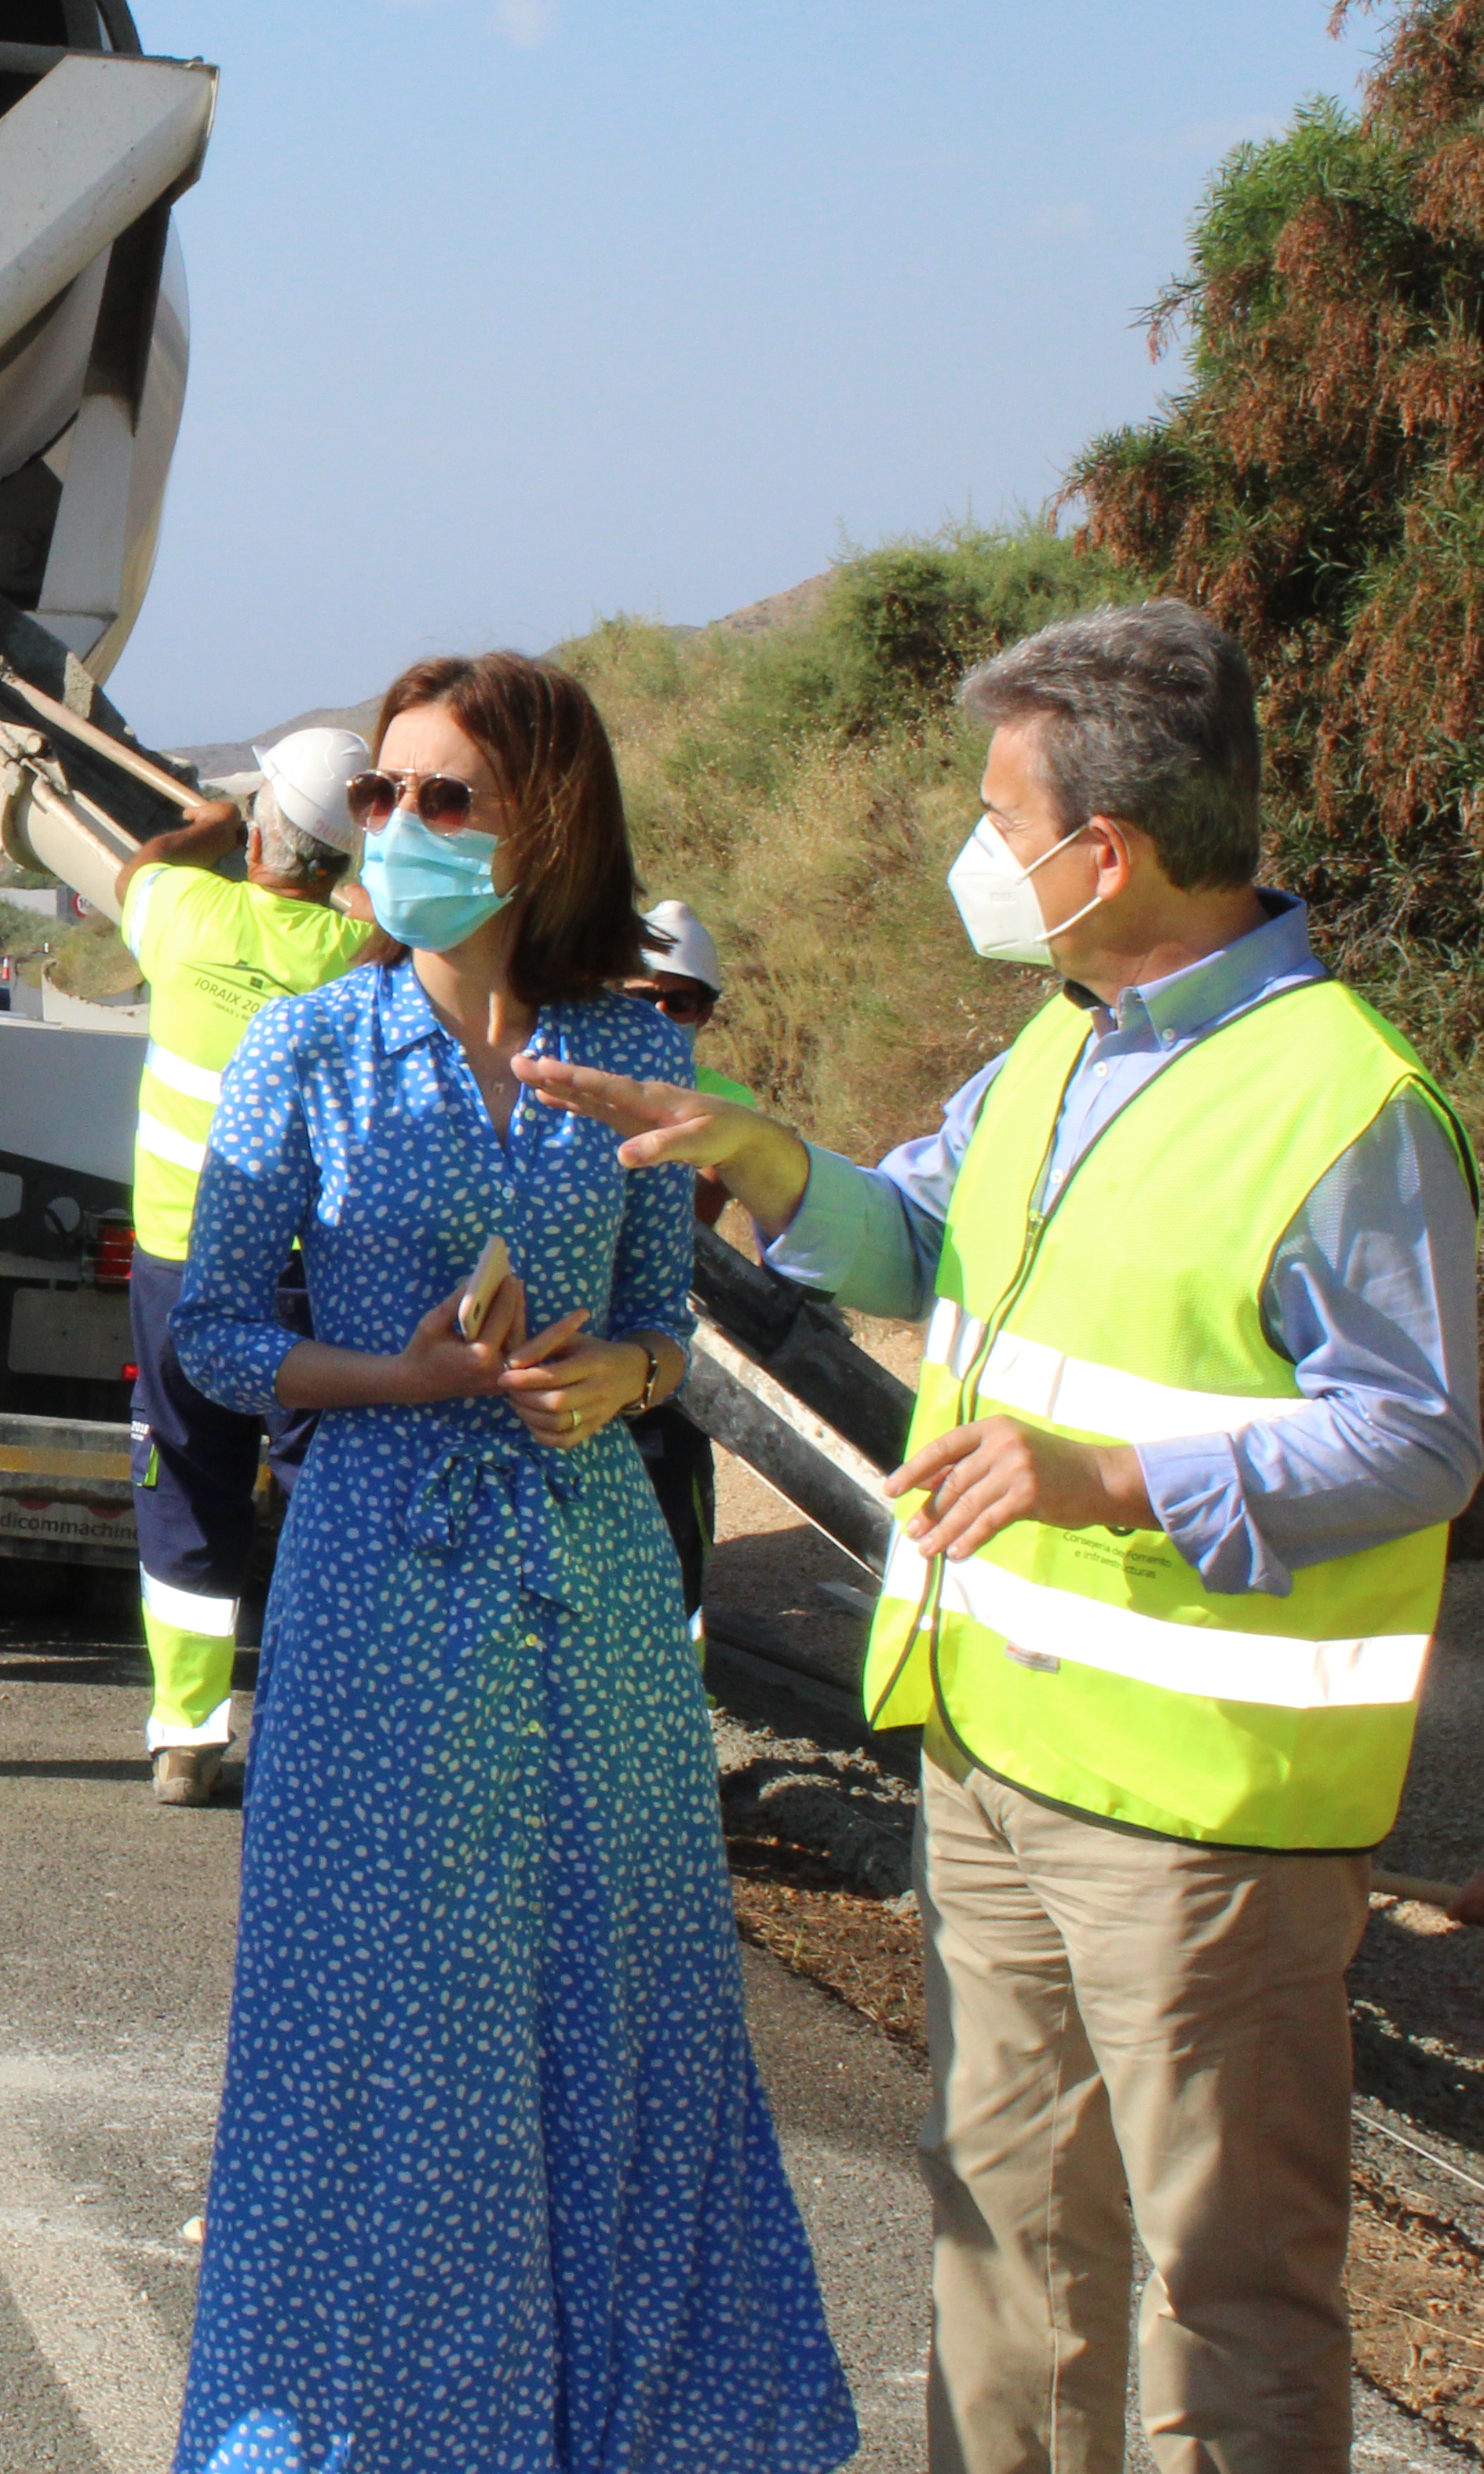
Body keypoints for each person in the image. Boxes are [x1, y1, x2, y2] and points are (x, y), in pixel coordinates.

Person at [528, 600, 1480, 2474]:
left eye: (996, 810)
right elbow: (911, 1239)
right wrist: (761, 1154)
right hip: (990, 1746)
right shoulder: (1061, 1041)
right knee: (1001, 2245)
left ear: (1099, 849)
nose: (980, 848)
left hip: (1198, 1819)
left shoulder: (1342, 1101)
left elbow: (1421, 1433)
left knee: (1224, 2289)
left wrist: (1109, 1477)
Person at [166, 649, 856, 2474]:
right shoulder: (302, 1044)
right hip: (376, 1563)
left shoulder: (635, 1050)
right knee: (378, 2010)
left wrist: (607, 1374)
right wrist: (398, 1375)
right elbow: (216, 1335)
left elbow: (656, 1326)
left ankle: (612, 2427)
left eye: (439, 795)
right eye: (378, 795)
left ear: (545, 817)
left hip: (591, 1580)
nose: (390, 826)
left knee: (610, 1987)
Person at [114, 725, 374, 1804]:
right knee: (320, 1497)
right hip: (306, 1275)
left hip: (178, 1258)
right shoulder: (352, 959)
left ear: (258, 827)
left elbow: (140, 870)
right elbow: (382, 930)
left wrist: (202, 826)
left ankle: (184, 1735)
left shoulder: (183, 914)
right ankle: (322, 1735)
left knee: (184, 1477)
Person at [620, 894, 757, 1619]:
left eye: (682, 1002)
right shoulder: (567, 1090)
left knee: (674, 1516)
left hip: (663, 1351)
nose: (662, 1014)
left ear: (705, 1011)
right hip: (574, 1337)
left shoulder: (732, 1107)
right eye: (646, 997)